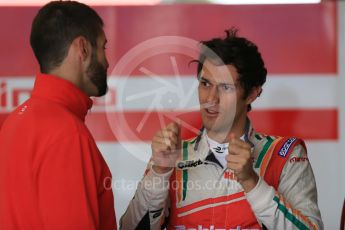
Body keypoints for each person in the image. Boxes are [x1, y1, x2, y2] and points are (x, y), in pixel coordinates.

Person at [120, 28, 323, 229]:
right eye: (206, 84)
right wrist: (159, 172)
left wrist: (252, 182)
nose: (211, 99)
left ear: (252, 93)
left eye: (226, 87)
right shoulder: (172, 158)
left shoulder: (284, 156)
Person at [0, 1, 116, 229]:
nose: (107, 61)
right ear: (82, 48)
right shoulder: (68, 135)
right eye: (103, 47)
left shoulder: (15, 121)